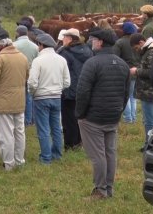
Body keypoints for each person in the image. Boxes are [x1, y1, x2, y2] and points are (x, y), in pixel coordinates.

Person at [75, 28, 130, 199]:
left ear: (100, 42)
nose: (91, 42)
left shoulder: (92, 63)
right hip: (113, 115)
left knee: (98, 155)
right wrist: (118, 110)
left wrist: (80, 114)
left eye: (93, 40)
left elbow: (83, 91)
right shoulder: (122, 64)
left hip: (93, 117)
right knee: (110, 152)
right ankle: (109, 188)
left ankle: (100, 190)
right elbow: (126, 93)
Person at [0, 38, 28, 171]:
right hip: (19, 100)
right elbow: (27, 76)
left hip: (3, 101)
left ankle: (9, 163)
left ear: (0, 46)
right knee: (20, 131)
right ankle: (20, 161)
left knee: (5, 133)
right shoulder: (23, 57)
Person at [28, 33, 70, 163]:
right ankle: (57, 154)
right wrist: (57, 90)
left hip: (41, 98)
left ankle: (46, 157)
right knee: (56, 127)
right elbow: (67, 82)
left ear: (41, 45)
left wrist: (32, 92)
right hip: (56, 97)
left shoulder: (38, 61)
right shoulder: (61, 60)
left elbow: (32, 82)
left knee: (43, 129)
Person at [58, 28, 93, 151]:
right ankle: (81, 141)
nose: (63, 40)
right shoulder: (87, 50)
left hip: (69, 89)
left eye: (65, 38)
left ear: (71, 39)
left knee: (68, 119)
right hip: (85, 88)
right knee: (81, 117)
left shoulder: (65, 52)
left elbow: (60, 70)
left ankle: (70, 144)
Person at [129, 33, 153, 151]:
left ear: (141, 43)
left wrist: (136, 71)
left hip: (149, 91)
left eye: (136, 48)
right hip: (149, 91)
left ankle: (150, 145)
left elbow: (152, 72)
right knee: (148, 119)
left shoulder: (151, 53)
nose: (137, 51)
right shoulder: (152, 51)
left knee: (149, 121)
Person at [113, 22, 140, 123]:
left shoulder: (120, 42)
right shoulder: (138, 42)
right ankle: (133, 117)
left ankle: (128, 118)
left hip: (125, 72)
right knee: (133, 96)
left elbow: (115, 57)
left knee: (126, 95)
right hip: (137, 71)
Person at [13, 25, 39, 126]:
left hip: (17, 74)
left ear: (17, 33)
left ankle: (21, 118)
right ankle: (30, 119)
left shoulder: (14, 45)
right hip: (31, 73)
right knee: (30, 97)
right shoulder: (35, 46)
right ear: (27, 33)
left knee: (19, 96)